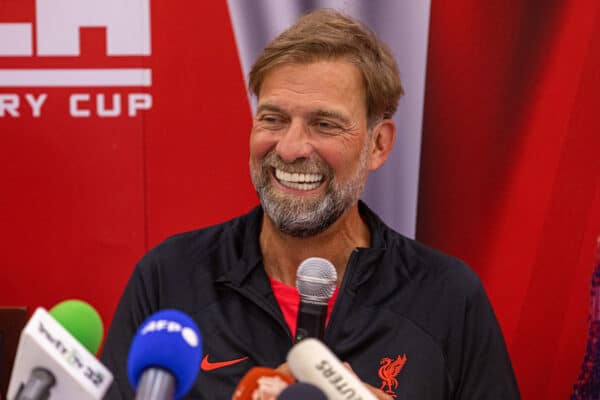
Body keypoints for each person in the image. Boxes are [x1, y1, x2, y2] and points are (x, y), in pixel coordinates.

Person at [101, 9, 520, 399]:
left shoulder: (447, 296)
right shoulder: (170, 278)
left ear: (378, 144)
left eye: (324, 124)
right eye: (273, 119)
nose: (291, 147)